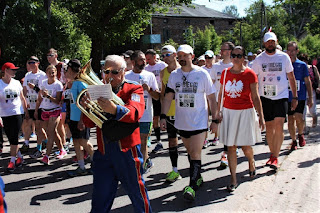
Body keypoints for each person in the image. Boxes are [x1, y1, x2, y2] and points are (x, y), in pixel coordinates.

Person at [81, 55, 152, 213]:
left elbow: (135, 112)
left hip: (127, 152)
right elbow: (89, 123)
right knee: (99, 200)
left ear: (124, 71)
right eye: (107, 71)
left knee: (138, 195)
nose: (110, 76)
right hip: (104, 151)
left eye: (115, 72)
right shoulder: (97, 90)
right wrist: (87, 108)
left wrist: (114, 109)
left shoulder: (133, 88)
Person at [160, 44, 218, 201]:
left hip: (199, 121)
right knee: (190, 153)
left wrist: (215, 119)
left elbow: (212, 98)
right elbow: (168, 97)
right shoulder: (174, 75)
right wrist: (163, 116)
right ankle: (197, 177)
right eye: (180, 55)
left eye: (185, 55)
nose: (182, 58)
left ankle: (191, 187)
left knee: (195, 153)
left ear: (192, 56)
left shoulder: (202, 74)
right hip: (182, 122)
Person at [218, 46, 265, 192]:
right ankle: (233, 178)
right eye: (234, 55)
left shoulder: (250, 74)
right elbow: (221, 94)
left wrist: (261, 117)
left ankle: (251, 161)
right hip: (229, 112)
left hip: (245, 112)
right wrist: (218, 112)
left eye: (239, 55)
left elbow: (256, 97)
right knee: (231, 147)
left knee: (245, 146)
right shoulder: (225, 73)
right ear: (230, 56)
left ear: (244, 57)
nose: (236, 58)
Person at [252, 31, 298, 169]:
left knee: (279, 125)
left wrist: (294, 97)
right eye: (268, 42)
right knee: (270, 127)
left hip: (281, 96)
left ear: (276, 42)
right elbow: (254, 80)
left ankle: (275, 157)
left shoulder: (284, 57)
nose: (270, 44)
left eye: (272, 41)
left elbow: (291, 77)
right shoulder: (259, 60)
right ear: (264, 43)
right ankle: (272, 153)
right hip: (265, 97)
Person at [125, 50, 160, 173]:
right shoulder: (126, 76)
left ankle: (142, 167)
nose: (144, 62)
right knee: (132, 142)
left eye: (145, 59)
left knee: (143, 141)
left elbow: (157, 96)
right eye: (141, 60)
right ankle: (142, 161)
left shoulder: (149, 75)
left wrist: (149, 90)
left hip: (145, 115)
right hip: (131, 115)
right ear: (133, 62)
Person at [65, 59, 94, 176]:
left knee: (84, 141)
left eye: (67, 69)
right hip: (73, 118)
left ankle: (96, 163)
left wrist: (82, 120)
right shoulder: (74, 82)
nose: (66, 71)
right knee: (76, 142)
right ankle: (81, 167)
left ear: (71, 69)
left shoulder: (81, 83)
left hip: (81, 118)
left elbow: (86, 102)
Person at [34, 65, 66, 165]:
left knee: (50, 131)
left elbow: (58, 101)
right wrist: (36, 110)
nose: (51, 75)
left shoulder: (58, 85)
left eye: (53, 72)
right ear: (46, 74)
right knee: (52, 132)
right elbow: (40, 98)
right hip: (44, 110)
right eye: (49, 73)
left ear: (56, 73)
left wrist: (48, 96)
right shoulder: (43, 83)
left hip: (55, 110)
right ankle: (62, 149)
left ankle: (47, 156)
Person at [0, 62, 29, 172]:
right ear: (6, 71)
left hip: (17, 112)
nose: (14, 72)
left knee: (14, 137)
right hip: (4, 114)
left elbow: (22, 98)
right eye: (12, 70)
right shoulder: (0, 84)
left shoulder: (16, 83)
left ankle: (12, 161)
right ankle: (20, 157)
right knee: (11, 137)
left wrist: (26, 111)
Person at [159, 45, 182, 182]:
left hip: (184, 112)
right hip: (170, 113)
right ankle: (175, 170)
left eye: (167, 55)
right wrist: (162, 115)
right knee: (172, 142)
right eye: (163, 56)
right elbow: (163, 95)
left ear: (175, 54)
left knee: (188, 143)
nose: (165, 58)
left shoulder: (182, 70)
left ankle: (195, 172)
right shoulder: (163, 72)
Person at [211, 42, 235, 167]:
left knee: (232, 127)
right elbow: (211, 83)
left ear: (230, 51)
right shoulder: (216, 67)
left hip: (233, 101)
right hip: (219, 102)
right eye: (221, 49)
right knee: (224, 128)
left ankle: (230, 149)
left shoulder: (235, 65)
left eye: (224, 49)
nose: (221, 51)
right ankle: (226, 151)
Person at [286, 42, 313, 150]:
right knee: (290, 119)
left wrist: (310, 97)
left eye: (293, 50)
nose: (291, 53)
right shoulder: (284, 65)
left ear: (297, 51)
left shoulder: (302, 65)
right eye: (289, 50)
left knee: (298, 117)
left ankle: (300, 133)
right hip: (287, 96)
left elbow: (307, 82)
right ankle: (293, 140)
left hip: (300, 95)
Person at [21, 56, 47, 157]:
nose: (31, 64)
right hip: (30, 103)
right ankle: (26, 143)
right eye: (29, 62)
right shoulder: (27, 75)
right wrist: (24, 101)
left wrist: (35, 87)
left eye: (33, 62)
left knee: (39, 126)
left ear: (38, 63)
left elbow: (44, 91)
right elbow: (24, 90)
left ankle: (42, 143)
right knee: (27, 123)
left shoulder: (42, 75)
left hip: (39, 104)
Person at [144, 49, 167, 153]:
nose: (147, 61)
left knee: (166, 116)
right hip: (153, 94)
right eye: (146, 59)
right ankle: (159, 141)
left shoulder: (162, 65)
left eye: (149, 58)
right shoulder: (146, 68)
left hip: (164, 94)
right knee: (155, 118)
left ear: (154, 57)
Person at [299, 53, 320, 128]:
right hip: (302, 91)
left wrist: (318, 87)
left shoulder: (313, 68)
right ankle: (303, 127)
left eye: (305, 61)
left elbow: (318, 78)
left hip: (311, 90)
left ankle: (314, 119)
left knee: (312, 109)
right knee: (303, 111)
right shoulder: (299, 69)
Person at [202, 50, 217, 148]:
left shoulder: (216, 68)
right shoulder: (201, 69)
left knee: (216, 117)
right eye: (206, 58)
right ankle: (205, 139)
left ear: (213, 58)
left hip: (215, 95)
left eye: (210, 58)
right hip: (204, 96)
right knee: (205, 118)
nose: (208, 60)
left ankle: (216, 136)